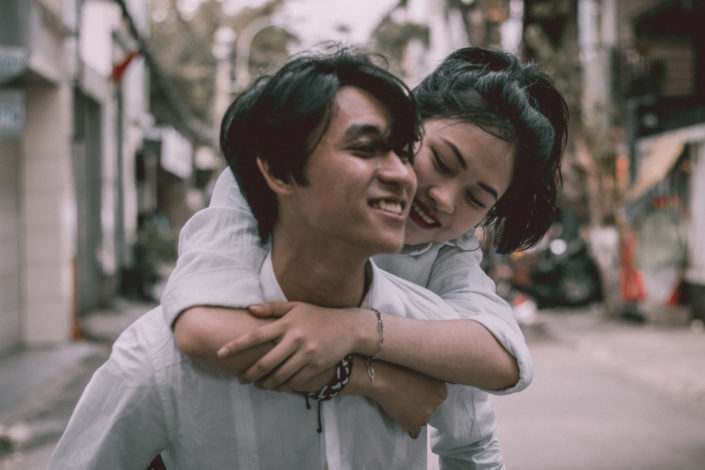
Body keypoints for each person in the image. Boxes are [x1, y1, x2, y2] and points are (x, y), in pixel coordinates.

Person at [49, 49, 506, 469]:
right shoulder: (159, 362)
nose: (402, 176)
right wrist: (365, 376)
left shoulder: (430, 335)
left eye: (405, 153)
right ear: (280, 170)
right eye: (365, 148)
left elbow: (477, 444)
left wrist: (357, 336)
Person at [163, 46, 566, 406]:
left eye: (476, 199)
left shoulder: (448, 248)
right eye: (441, 162)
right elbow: (203, 327)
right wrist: (378, 382)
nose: (443, 200)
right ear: (407, 124)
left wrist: (355, 328)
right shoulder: (269, 179)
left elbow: (505, 359)